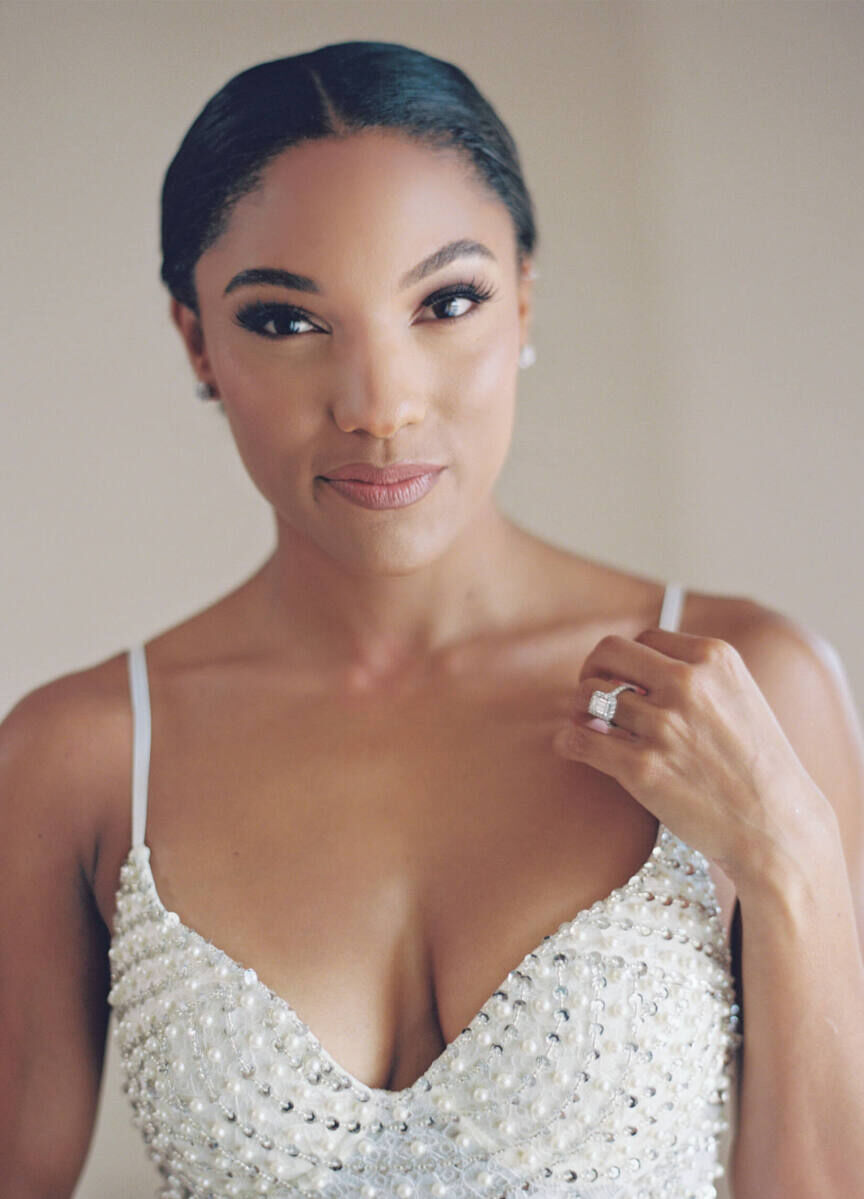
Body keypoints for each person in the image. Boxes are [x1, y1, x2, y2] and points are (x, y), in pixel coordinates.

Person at [2, 39, 863, 1199]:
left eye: (445, 301)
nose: (379, 404)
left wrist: (795, 861)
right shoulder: (82, 756)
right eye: (287, 321)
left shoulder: (746, 686)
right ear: (195, 340)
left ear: (523, 300)